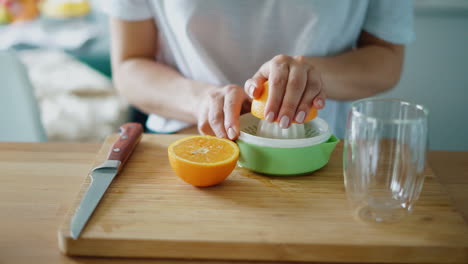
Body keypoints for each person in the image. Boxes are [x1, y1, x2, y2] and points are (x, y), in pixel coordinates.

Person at [104, 0, 414, 140]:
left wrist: (313, 76)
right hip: (190, 142)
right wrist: (203, 101)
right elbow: (130, 64)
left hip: (322, 153)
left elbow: (387, 59)